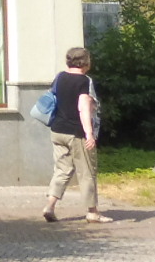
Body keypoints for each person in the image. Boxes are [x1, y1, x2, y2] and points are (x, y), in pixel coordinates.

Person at [43, 46, 111, 223]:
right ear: (86, 62)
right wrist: (89, 134)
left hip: (57, 130)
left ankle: (49, 206)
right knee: (87, 172)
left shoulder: (60, 77)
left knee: (61, 170)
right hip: (76, 133)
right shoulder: (83, 81)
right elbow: (83, 107)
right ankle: (92, 212)